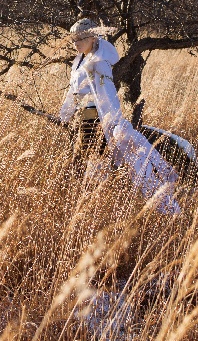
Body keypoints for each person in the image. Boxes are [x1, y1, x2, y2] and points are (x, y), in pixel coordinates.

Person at [58, 18, 181, 214]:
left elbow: (108, 96)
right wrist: (64, 115)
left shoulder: (98, 64)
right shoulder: (81, 61)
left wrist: (114, 122)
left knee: (92, 163)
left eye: (80, 38)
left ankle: (94, 207)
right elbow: (73, 93)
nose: (76, 42)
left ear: (92, 37)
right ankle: (93, 205)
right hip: (83, 119)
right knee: (88, 164)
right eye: (74, 38)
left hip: (94, 120)